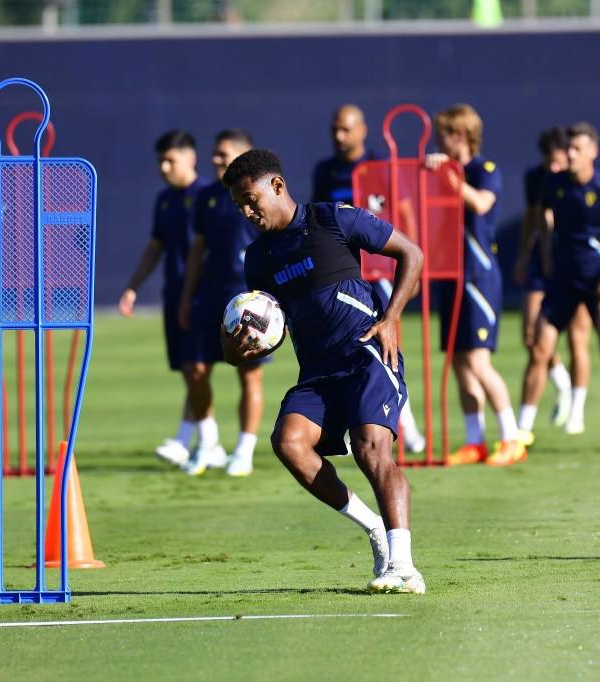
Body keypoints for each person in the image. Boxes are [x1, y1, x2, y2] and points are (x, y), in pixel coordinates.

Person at [221, 149, 427, 593]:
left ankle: (404, 566)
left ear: (277, 185)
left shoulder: (333, 219)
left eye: (250, 198)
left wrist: (391, 318)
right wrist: (236, 351)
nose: (246, 210)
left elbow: (411, 253)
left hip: (366, 354)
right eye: (238, 204)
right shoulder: (257, 260)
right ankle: (373, 528)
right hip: (317, 371)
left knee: (372, 447)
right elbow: (264, 329)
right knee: (288, 443)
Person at [311, 103, 427, 454]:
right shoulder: (326, 171)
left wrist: (412, 263)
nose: (339, 136)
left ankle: (406, 424)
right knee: (352, 348)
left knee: (387, 344)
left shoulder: (381, 166)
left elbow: (404, 211)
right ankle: (359, 424)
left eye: (346, 129)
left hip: (380, 272)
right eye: (335, 129)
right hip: (344, 275)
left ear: (363, 130)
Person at [520, 122, 600, 450]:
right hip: (562, 282)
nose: (570, 154)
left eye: (576, 149)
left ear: (592, 153)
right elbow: (542, 219)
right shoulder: (553, 184)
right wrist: (543, 254)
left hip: (598, 282)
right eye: (568, 148)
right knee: (539, 348)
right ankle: (522, 430)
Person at [426, 104, 525, 466]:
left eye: (447, 133)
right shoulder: (445, 171)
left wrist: (453, 179)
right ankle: (475, 440)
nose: (441, 140)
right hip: (450, 276)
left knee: (480, 363)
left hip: (479, 276)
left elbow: (482, 204)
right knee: (459, 362)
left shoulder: (484, 170)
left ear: (464, 135)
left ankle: (512, 438)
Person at [118, 130, 212, 467]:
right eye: (160, 160)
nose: (164, 166)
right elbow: (154, 248)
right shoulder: (165, 200)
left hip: (203, 294)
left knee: (197, 367)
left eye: (170, 159)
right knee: (190, 370)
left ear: (191, 158)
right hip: (174, 293)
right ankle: (197, 439)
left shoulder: (206, 196)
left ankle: (199, 441)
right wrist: (132, 286)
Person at [177, 129, 265, 477]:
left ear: (242, 157)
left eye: (222, 154)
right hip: (210, 293)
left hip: (248, 295)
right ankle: (209, 442)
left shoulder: (256, 195)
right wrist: (187, 294)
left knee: (249, 375)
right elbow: (197, 250)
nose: (215, 159)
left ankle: (244, 450)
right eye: (213, 154)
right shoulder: (207, 196)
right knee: (196, 369)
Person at [513, 127, 583, 440]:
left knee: (577, 337)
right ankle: (561, 382)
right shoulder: (538, 178)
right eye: (549, 163)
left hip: (574, 267)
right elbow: (533, 217)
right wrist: (524, 253)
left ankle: (575, 404)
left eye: (559, 162)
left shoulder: (578, 181)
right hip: (544, 267)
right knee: (531, 336)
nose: (555, 169)